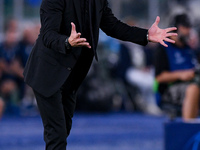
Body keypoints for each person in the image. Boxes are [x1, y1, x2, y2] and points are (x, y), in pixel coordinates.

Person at [23, 0, 177, 149]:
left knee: (63, 131)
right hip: (47, 73)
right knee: (57, 134)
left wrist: (146, 35)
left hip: (71, 76)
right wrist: (67, 42)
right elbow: (48, 34)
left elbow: (113, 26)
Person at [154, 14, 200, 120]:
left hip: (192, 83)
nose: (188, 31)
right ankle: (188, 128)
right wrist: (181, 75)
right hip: (169, 89)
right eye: (185, 28)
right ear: (176, 28)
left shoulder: (188, 49)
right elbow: (159, 77)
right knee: (193, 89)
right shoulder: (164, 47)